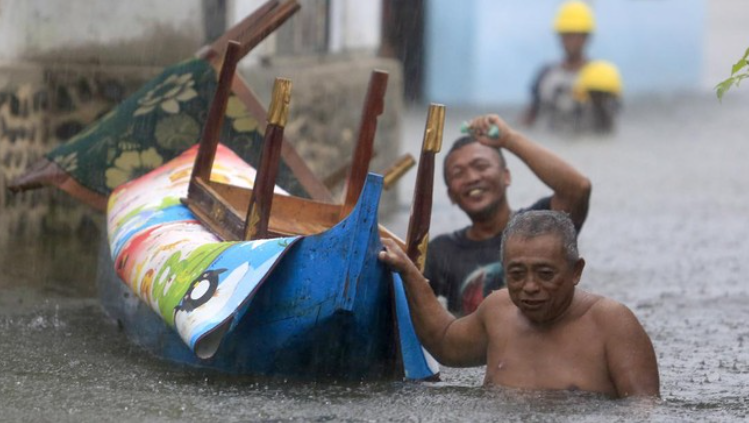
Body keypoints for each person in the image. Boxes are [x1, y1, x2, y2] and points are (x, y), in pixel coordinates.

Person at [380, 210, 660, 398]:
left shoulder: (612, 323)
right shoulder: (498, 309)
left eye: (545, 274)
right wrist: (407, 272)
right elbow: (444, 342)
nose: (529, 286)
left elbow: (643, 412)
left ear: (576, 271)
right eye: (516, 274)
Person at [424, 114, 591, 315]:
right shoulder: (441, 252)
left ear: (506, 176)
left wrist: (509, 139)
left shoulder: (541, 228)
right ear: (451, 194)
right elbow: (408, 306)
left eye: (481, 166)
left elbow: (577, 189)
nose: (472, 178)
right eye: (458, 173)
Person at [522, 0, 621, 133]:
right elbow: (529, 118)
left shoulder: (603, 77)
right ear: (560, 36)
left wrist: (598, 100)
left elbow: (610, 124)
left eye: (577, 35)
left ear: (587, 37)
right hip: (552, 143)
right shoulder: (545, 75)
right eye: (567, 35)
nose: (572, 41)